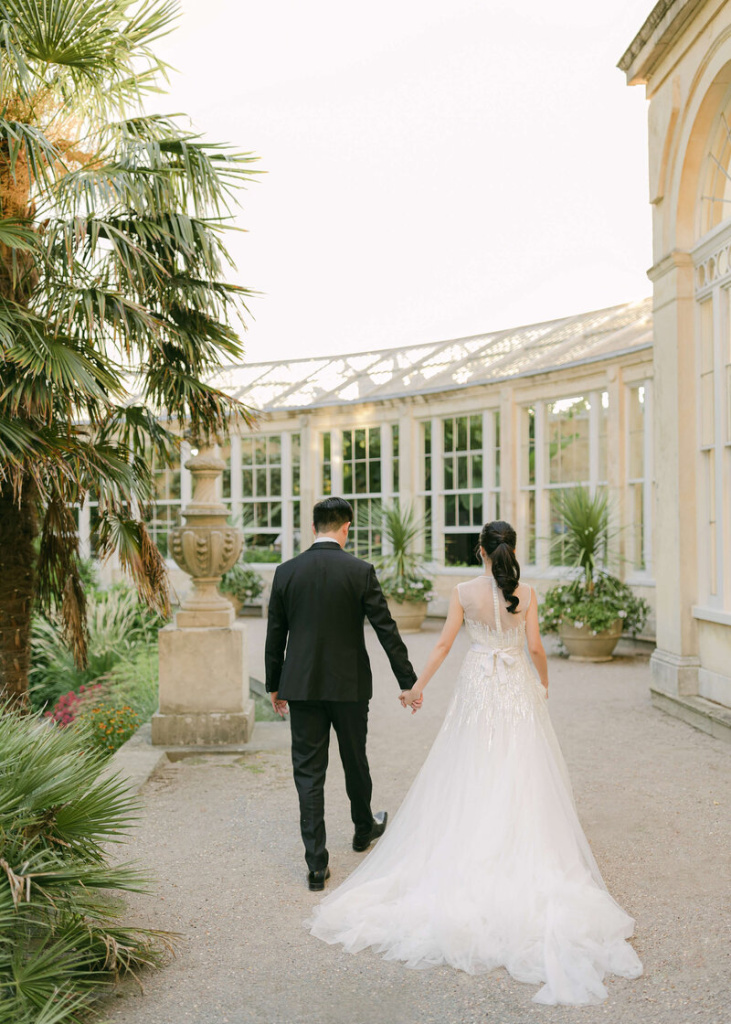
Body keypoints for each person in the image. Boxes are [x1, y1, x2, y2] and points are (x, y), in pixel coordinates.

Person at [308, 520, 643, 1006]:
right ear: (509, 550)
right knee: (522, 769)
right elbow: (533, 648)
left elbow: (443, 644)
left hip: (478, 689)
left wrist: (416, 686)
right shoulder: (526, 592)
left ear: (480, 550)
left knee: (468, 765)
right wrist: (543, 686)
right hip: (515, 689)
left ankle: (466, 843)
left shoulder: (463, 590)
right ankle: (522, 847)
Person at [265, 496, 418, 892]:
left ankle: (317, 865)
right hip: (349, 686)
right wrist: (407, 681)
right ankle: (363, 829)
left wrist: (273, 684)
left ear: (313, 527)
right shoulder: (360, 571)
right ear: (346, 527)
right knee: (355, 758)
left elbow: (275, 635)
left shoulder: (286, 572)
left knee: (308, 773)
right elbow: (386, 629)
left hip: (301, 687)